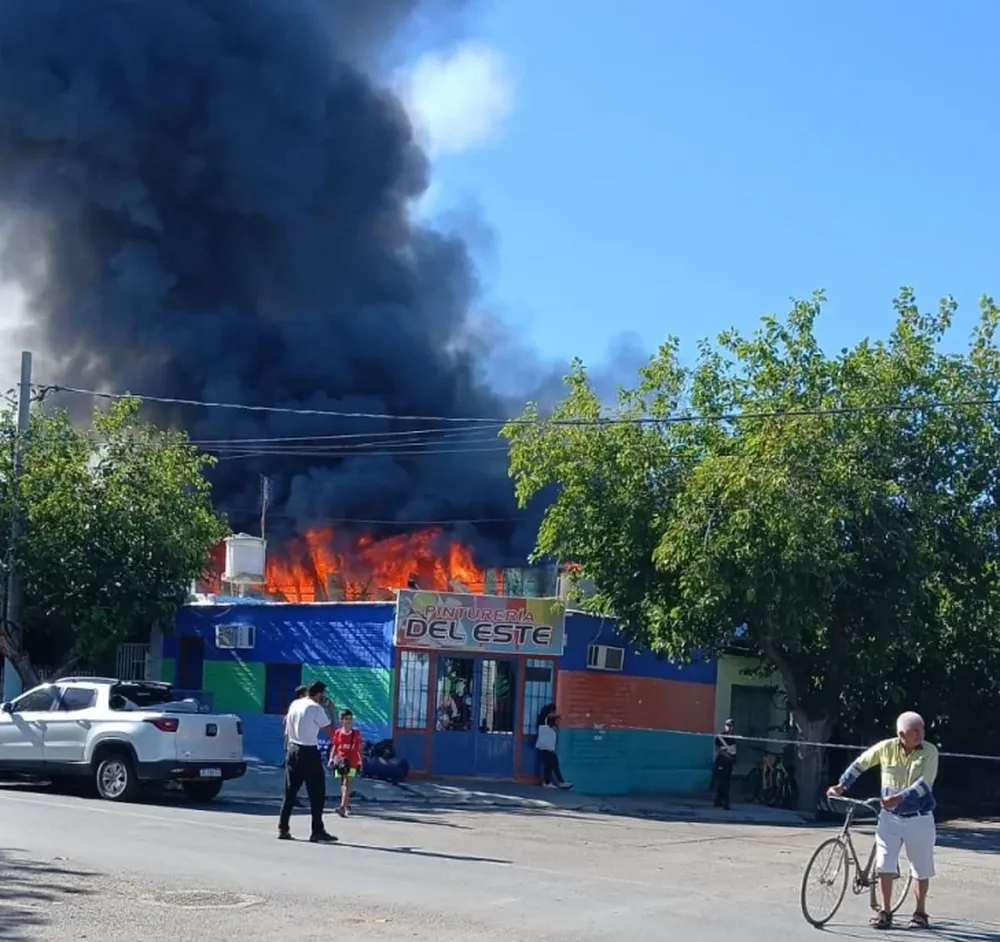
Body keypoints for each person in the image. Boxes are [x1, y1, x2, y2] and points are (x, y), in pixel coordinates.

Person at [827, 711, 939, 930]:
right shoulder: (886, 747)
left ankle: (920, 912)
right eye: (915, 731)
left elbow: (925, 784)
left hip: (919, 818)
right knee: (884, 864)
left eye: (922, 729)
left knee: (921, 867)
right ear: (901, 734)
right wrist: (841, 786)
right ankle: (884, 912)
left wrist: (899, 798)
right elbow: (861, 763)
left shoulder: (929, 751)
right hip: (889, 818)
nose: (920, 734)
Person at [278, 680, 339, 843]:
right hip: (309, 752)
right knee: (317, 793)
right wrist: (331, 711)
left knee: (290, 792)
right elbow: (330, 731)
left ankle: (283, 827)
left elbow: (287, 727)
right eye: (323, 694)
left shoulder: (295, 704)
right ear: (319, 694)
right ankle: (317, 830)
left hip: (292, 749)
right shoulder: (316, 708)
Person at [329, 709, 363, 817]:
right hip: (340, 761)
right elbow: (335, 746)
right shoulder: (338, 733)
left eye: (350, 719)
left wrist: (361, 761)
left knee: (347, 782)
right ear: (341, 720)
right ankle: (347, 805)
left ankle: (342, 807)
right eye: (346, 719)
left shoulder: (356, 733)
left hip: (352, 761)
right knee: (342, 783)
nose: (349, 721)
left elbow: (359, 748)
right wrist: (331, 758)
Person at [536, 713, 572, 790]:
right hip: (548, 750)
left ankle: (547, 782)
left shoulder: (548, 729)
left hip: (547, 750)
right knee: (554, 765)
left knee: (549, 766)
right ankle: (560, 782)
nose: (558, 723)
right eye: (557, 721)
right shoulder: (548, 729)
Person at [713, 719, 737, 810]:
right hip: (721, 761)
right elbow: (717, 748)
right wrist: (726, 755)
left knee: (725, 782)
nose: (730, 728)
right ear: (725, 726)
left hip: (729, 763)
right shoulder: (721, 737)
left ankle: (718, 800)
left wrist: (734, 759)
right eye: (728, 726)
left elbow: (734, 750)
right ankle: (725, 802)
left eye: (731, 726)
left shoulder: (733, 737)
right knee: (723, 783)